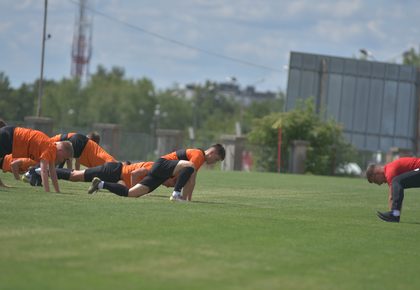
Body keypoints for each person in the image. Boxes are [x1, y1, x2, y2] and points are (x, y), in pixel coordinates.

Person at [88, 144, 225, 201]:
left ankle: (101, 184)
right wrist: (185, 197)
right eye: (217, 159)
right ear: (212, 153)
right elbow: (191, 176)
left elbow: (190, 178)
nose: (215, 162)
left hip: (161, 173)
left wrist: (188, 200)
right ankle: (176, 194)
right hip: (162, 165)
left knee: (131, 194)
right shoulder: (198, 154)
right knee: (190, 166)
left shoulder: (199, 159)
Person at [0, 125, 73, 192]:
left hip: (11, 138)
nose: (62, 161)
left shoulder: (52, 150)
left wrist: (57, 191)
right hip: (10, 136)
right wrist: (47, 191)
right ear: (61, 151)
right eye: (64, 158)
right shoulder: (50, 148)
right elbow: (43, 171)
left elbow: (52, 173)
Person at [366, 157, 420, 223]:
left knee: (396, 181)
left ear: (376, 173)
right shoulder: (389, 169)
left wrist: (391, 215)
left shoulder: (390, 172)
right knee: (398, 182)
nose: (379, 184)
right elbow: (397, 196)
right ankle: (394, 215)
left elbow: (392, 197)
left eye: (375, 181)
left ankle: (394, 215)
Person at [50, 132, 116, 170]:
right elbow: (72, 160)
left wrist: (72, 173)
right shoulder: (84, 144)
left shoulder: (82, 141)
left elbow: (75, 161)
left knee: (59, 163)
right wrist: (71, 173)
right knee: (60, 162)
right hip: (62, 141)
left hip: (62, 141)